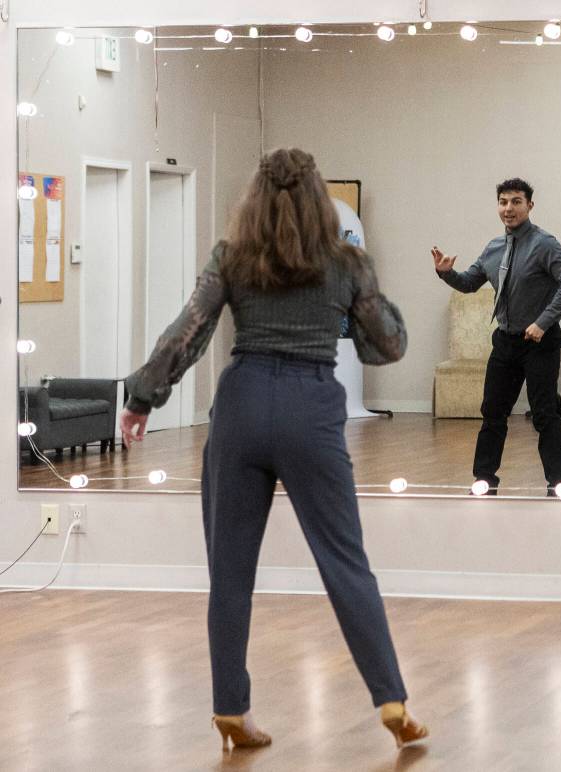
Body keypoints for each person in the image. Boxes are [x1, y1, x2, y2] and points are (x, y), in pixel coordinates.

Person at [118, 148, 427, 752]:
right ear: (319, 198)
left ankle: (231, 709)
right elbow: (387, 345)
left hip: (241, 404)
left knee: (229, 573)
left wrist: (142, 397)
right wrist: (362, 298)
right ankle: (391, 698)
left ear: (254, 199)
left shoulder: (232, 258)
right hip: (310, 408)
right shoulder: (345, 261)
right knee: (346, 563)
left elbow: (190, 329)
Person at [432, 178, 561, 495]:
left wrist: (543, 322)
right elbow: (470, 283)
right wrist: (446, 273)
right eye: (503, 202)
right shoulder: (494, 247)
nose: (509, 208)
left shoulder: (545, 244)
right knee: (492, 412)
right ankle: (484, 479)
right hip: (506, 340)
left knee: (544, 413)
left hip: (540, 341)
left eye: (516, 201)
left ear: (530, 205)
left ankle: (558, 483)